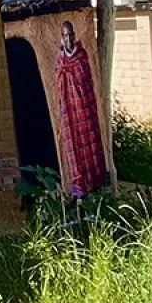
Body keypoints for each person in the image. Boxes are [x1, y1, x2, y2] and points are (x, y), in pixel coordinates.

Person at [53, 20, 109, 196]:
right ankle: (78, 186)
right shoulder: (60, 61)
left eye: (70, 35)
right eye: (65, 36)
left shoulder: (81, 58)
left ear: (74, 37)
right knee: (73, 147)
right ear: (61, 39)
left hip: (83, 109)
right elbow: (59, 84)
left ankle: (95, 181)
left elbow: (86, 83)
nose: (68, 39)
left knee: (90, 141)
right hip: (69, 111)